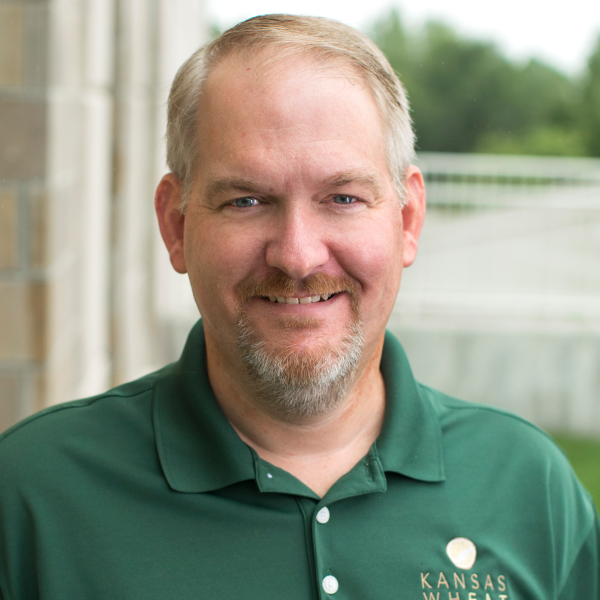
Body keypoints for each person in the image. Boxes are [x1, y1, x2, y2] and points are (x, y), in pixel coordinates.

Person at [0, 14, 598, 600]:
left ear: (407, 219)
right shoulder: (30, 498)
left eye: (342, 197)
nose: (297, 256)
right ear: (176, 226)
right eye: (247, 200)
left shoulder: (529, 489)